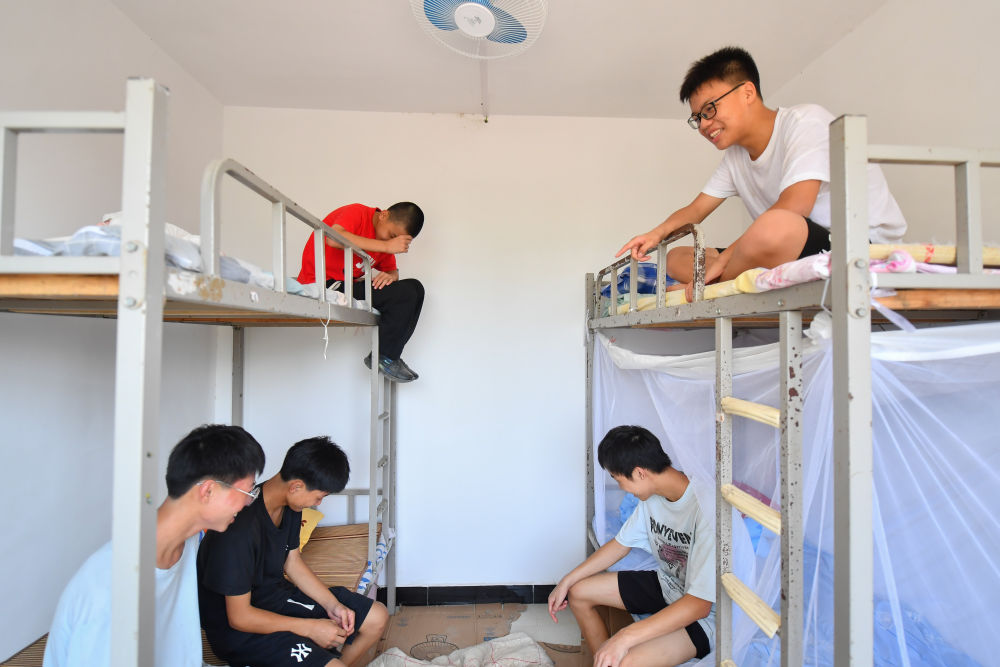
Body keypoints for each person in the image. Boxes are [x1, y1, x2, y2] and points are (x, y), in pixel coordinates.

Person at [618, 46, 906, 296]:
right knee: (677, 257)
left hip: (859, 246)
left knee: (775, 225)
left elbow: (795, 207)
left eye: (709, 110)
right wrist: (655, 235)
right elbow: (696, 210)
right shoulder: (735, 157)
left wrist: (723, 261)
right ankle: (719, 279)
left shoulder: (806, 122)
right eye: (697, 118)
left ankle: (714, 284)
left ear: (747, 92)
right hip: (790, 247)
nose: (704, 124)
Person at [44, 424, 267, 667]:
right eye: (248, 493)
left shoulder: (187, 542)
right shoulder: (110, 588)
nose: (247, 504)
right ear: (208, 491)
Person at [197, 436, 389, 667]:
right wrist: (311, 628)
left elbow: (292, 562)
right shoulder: (238, 531)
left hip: (275, 597)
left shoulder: (290, 505)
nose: (318, 503)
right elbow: (240, 617)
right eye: (319, 497)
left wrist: (333, 605)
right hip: (241, 630)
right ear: (296, 486)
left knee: (377, 617)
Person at [548, 426, 714, 667]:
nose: (622, 488)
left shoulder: (706, 509)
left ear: (639, 473)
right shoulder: (653, 495)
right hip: (669, 585)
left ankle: (613, 659)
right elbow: (620, 545)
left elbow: (700, 604)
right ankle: (604, 661)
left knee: (627, 660)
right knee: (578, 593)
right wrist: (566, 581)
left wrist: (624, 637)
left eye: (618, 480)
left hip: (705, 613)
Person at [297, 202, 425, 383]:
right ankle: (385, 356)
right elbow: (333, 238)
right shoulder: (357, 213)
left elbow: (391, 270)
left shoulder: (382, 241)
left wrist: (390, 275)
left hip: (346, 285)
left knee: (415, 288)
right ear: (383, 215)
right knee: (405, 294)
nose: (391, 242)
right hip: (323, 284)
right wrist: (388, 246)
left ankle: (389, 356)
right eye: (392, 236)